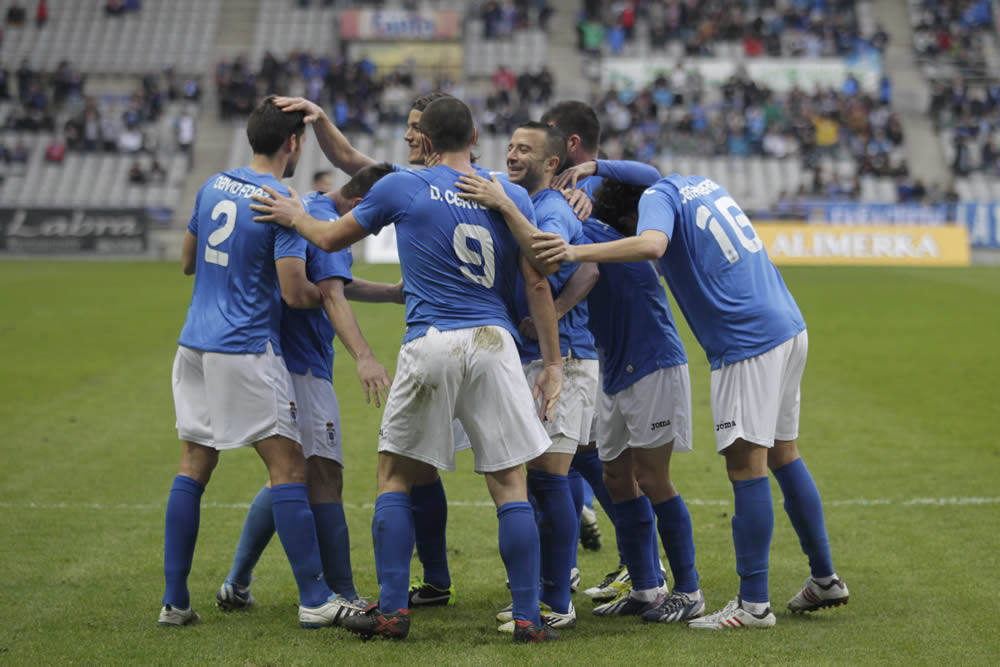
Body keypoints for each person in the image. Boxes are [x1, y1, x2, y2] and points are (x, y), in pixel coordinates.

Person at [251, 96, 563, 643]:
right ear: (473, 136)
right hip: (495, 341)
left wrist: (293, 215)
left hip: (432, 340)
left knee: (395, 475)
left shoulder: (402, 185)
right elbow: (538, 281)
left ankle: (394, 610)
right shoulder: (507, 193)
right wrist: (554, 363)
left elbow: (327, 240)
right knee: (509, 482)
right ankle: (528, 617)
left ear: (425, 140)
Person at [533, 160, 849, 630]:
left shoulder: (657, 200)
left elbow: (652, 243)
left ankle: (753, 605)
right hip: (786, 323)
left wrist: (579, 252)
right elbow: (647, 170)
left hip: (746, 340)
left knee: (746, 466)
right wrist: (597, 165)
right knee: (784, 453)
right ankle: (824, 578)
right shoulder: (695, 183)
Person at [160, 96, 347, 629]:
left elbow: (187, 261)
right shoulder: (282, 199)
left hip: (193, 344)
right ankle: (315, 599)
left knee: (194, 465)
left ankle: (175, 602)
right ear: (294, 142)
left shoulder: (214, 184)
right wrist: (335, 294)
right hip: (244, 347)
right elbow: (293, 291)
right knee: (289, 468)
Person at [215, 163, 400, 624]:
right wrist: (364, 356)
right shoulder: (323, 222)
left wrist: (392, 293)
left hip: (283, 356)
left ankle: (236, 583)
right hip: (301, 364)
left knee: (288, 476)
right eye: (375, 220)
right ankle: (343, 592)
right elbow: (326, 294)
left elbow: (336, 284)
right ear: (360, 206)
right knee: (323, 476)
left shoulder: (312, 209)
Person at [471, 121, 599, 632]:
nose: (513, 154)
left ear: (551, 163)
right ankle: (549, 585)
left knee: (550, 480)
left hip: (564, 359)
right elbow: (586, 271)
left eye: (525, 149)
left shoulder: (551, 208)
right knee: (541, 482)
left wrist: (503, 204)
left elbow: (551, 253)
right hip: (527, 357)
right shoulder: (521, 199)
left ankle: (557, 601)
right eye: (510, 147)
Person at [542, 100, 661, 600]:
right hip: (600, 340)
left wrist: (591, 171)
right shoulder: (560, 188)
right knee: (579, 455)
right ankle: (629, 563)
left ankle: (639, 566)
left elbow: (653, 176)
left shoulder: (587, 188)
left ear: (570, 145)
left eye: (544, 137)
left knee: (574, 456)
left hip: (592, 341)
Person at [578, 174, 704, 623]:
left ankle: (689, 590)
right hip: (615, 369)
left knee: (653, 479)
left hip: (653, 366)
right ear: (631, 217)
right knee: (616, 478)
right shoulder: (601, 234)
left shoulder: (599, 238)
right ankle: (646, 585)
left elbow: (650, 177)